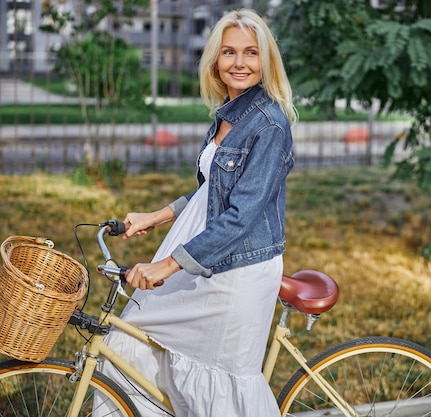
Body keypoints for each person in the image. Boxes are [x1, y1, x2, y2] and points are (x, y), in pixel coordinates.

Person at [95, 9, 297, 417]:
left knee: (220, 382)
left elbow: (240, 217)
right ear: (215, 61)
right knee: (130, 340)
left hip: (235, 271)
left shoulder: (269, 125)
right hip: (200, 255)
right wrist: (155, 216)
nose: (239, 63)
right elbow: (212, 193)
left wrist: (165, 267)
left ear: (265, 61)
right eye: (229, 52)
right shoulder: (229, 113)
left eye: (250, 53)